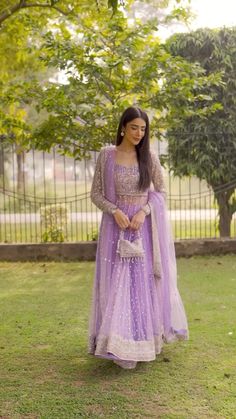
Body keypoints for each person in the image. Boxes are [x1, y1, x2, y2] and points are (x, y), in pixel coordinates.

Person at [88, 106, 189, 369]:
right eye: (134, 127)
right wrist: (114, 211)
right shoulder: (106, 156)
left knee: (139, 285)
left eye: (143, 129)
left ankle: (141, 340)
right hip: (115, 227)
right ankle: (115, 342)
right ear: (123, 127)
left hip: (141, 230)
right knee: (116, 283)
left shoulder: (149, 157)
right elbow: (96, 194)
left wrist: (144, 212)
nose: (139, 133)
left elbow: (162, 191)